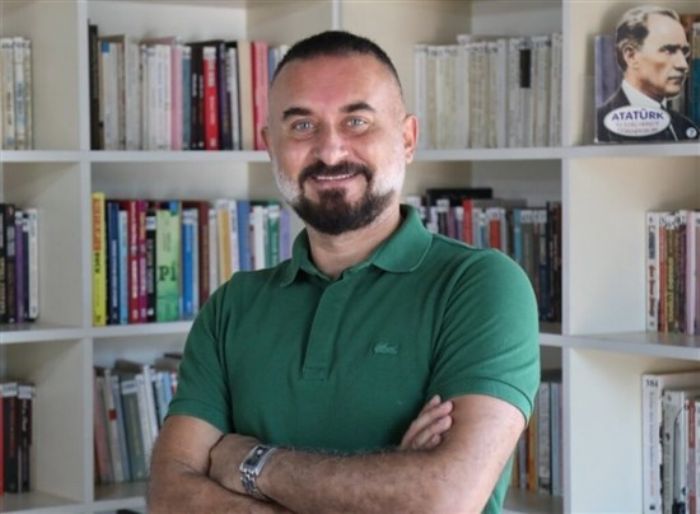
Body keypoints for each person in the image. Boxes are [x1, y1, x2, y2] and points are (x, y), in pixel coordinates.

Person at [148, 31, 540, 514]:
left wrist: (251, 464)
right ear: (271, 146)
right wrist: (388, 484)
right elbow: (170, 496)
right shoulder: (232, 306)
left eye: (357, 122)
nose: (331, 152)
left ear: (407, 138)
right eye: (302, 126)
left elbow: (443, 497)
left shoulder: (480, 285)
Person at [596, 5, 699, 142]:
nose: (683, 65)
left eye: (684, 51)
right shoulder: (600, 125)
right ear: (631, 56)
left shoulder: (685, 127)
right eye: (669, 50)